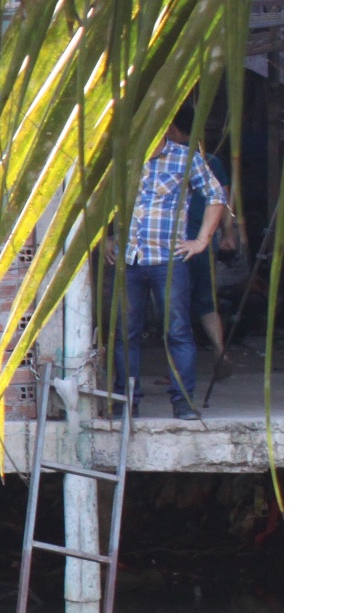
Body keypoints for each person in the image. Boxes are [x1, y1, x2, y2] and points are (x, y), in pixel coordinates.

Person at [108, 107, 227, 420]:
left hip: (167, 261)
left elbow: (216, 196)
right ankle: (127, 403)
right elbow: (104, 201)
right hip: (130, 259)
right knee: (126, 334)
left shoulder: (185, 158)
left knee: (177, 332)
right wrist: (107, 238)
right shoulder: (124, 157)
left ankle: (183, 403)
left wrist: (202, 240)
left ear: (164, 128)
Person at [169, 114, 239, 378]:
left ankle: (178, 367)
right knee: (206, 301)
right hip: (203, 241)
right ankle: (219, 348)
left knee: (176, 304)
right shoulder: (211, 161)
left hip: (174, 244)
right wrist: (226, 234)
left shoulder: (168, 159)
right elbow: (222, 200)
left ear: (174, 129)